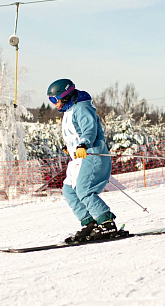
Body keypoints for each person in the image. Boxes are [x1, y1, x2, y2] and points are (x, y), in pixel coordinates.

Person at [47, 78, 118, 242]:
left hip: (93, 154)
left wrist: (83, 145)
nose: (54, 104)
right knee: (69, 191)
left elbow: (89, 130)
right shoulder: (69, 111)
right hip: (78, 158)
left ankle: (106, 222)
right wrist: (70, 147)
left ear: (64, 96)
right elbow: (75, 133)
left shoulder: (82, 108)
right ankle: (90, 223)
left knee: (84, 190)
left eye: (54, 100)